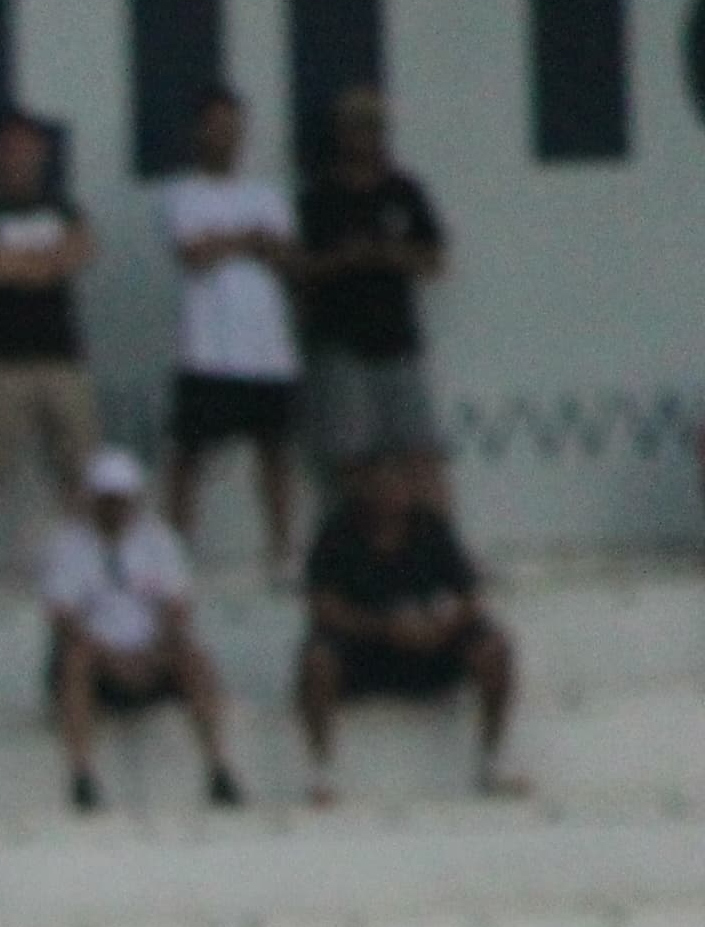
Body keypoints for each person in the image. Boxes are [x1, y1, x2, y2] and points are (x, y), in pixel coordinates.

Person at [298, 453, 518, 804]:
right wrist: (384, 628)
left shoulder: (430, 528)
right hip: (365, 650)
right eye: (381, 486)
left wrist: (439, 628)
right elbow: (322, 606)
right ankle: (322, 771)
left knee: (494, 649)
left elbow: (470, 596)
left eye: (399, 485)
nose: (391, 495)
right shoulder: (338, 532)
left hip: (430, 646)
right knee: (317, 661)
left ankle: (494, 760)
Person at [43, 446, 239, 811]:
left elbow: (177, 607)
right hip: (98, 657)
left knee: (195, 659)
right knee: (76, 661)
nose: (114, 508)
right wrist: (109, 656)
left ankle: (218, 766)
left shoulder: (159, 541)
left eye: (121, 500)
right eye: (106, 500)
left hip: (150, 654)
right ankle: (82, 773)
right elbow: (62, 617)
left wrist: (154, 653)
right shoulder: (68, 545)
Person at [155, 86, 300, 574]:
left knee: (275, 451)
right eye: (216, 124)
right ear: (199, 131)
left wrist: (231, 242)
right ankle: (177, 550)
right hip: (209, 349)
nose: (226, 135)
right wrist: (249, 239)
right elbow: (193, 254)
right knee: (188, 454)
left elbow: (285, 257)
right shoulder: (182, 193)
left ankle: (280, 549)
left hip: (266, 350)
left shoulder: (267, 194)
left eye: (233, 125)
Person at [0, 112, 94, 586]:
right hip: (2, 361)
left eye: (27, 149)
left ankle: (81, 565)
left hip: (60, 357)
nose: (18, 159)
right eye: (9, 149)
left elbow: (78, 254)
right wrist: (43, 264)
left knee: (79, 467)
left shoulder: (63, 207)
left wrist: (25, 266)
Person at [298, 86, 447, 478]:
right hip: (341, 342)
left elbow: (434, 259)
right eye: (355, 127)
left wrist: (388, 254)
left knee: (419, 450)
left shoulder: (403, 191)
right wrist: (344, 258)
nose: (365, 136)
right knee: (350, 456)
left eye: (372, 127)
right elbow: (300, 268)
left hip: (397, 340)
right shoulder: (320, 196)